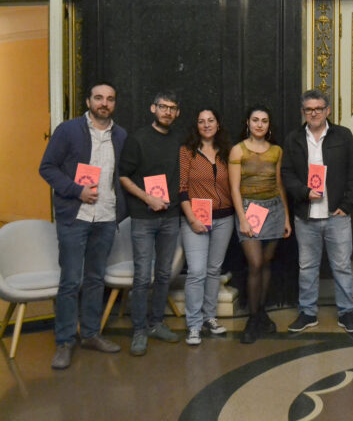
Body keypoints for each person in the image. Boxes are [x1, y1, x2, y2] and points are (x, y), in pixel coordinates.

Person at [40, 83, 125, 370]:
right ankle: (64, 341)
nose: (104, 103)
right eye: (99, 98)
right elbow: (47, 167)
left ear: (114, 104)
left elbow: (122, 174)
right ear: (88, 100)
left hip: (105, 217)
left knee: (95, 280)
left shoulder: (121, 135)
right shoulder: (68, 130)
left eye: (110, 99)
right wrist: (77, 191)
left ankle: (90, 334)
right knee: (70, 282)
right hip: (75, 217)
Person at [281, 89, 353, 333]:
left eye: (318, 108)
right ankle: (307, 313)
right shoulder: (293, 138)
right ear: (303, 112)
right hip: (306, 216)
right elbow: (286, 173)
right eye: (309, 109)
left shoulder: (344, 135)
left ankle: (346, 313)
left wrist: (347, 206)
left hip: (337, 215)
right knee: (307, 267)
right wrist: (304, 192)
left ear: (327, 110)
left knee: (342, 266)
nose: (314, 113)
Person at [119, 91, 182, 356]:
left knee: (165, 273)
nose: (167, 112)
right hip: (144, 217)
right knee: (143, 276)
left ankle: (157, 323)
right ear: (152, 108)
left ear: (177, 113)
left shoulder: (180, 141)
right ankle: (139, 330)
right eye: (163, 107)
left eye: (172, 108)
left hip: (171, 216)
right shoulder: (138, 139)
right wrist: (148, 198)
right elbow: (123, 176)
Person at [229, 105, 291, 343]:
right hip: (249, 210)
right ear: (248, 123)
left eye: (264, 121)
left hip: (273, 209)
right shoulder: (238, 151)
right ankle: (253, 319)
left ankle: (261, 312)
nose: (259, 125)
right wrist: (242, 218)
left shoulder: (276, 151)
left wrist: (285, 215)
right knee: (254, 263)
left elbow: (278, 184)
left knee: (266, 263)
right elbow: (234, 188)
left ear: (269, 125)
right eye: (255, 120)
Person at [178, 108, 234, 346]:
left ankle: (209, 317)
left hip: (225, 218)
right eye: (201, 121)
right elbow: (181, 188)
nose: (207, 125)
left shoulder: (227, 152)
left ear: (218, 124)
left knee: (214, 270)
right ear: (196, 126)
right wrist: (191, 219)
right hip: (196, 218)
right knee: (196, 271)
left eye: (211, 120)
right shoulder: (187, 152)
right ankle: (193, 325)